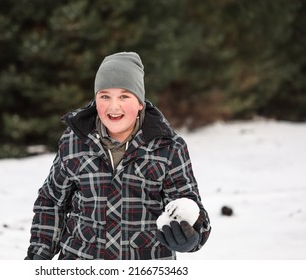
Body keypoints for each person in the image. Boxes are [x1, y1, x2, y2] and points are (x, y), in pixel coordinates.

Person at [26, 52, 211, 260]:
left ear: (140, 102)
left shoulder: (168, 147)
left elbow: (189, 205)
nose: (114, 106)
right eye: (105, 96)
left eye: (124, 96)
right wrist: (37, 258)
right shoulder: (75, 140)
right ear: (95, 100)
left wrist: (192, 235)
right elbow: (51, 202)